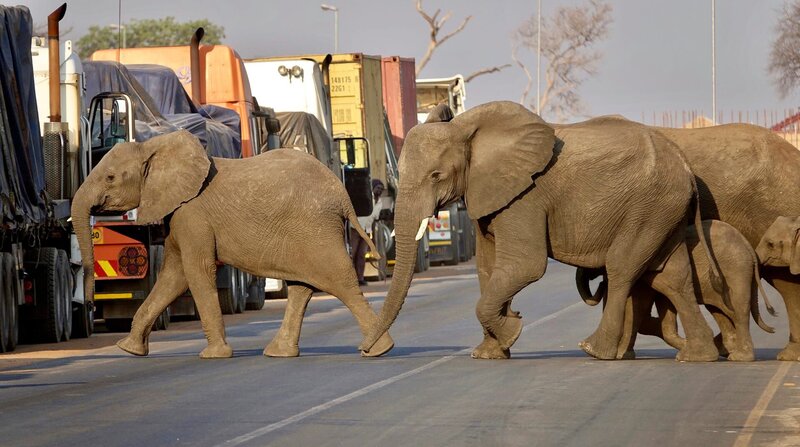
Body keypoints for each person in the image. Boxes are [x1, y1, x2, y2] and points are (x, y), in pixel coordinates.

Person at [350, 179, 384, 286]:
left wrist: (372, 239)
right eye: (378, 188)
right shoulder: (366, 198)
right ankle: (350, 279)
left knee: (361, 255)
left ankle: (360, 278)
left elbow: (374, 220)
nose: (379, 191)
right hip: (356, 228)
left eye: (381, 189)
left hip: (367, 231)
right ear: (372, 188)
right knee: (352, 254)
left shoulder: (380, 203)